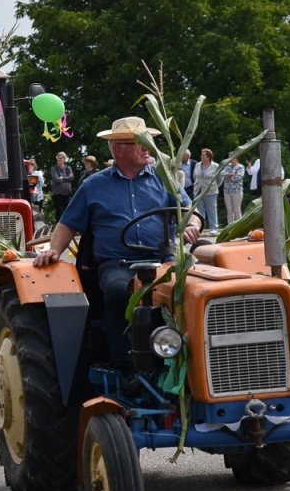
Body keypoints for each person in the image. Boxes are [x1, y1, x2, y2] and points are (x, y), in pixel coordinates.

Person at [33, 116, 202, 367]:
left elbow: (190, 211)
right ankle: (124, 366)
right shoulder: (93, 185)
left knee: (191, 290)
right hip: (118, 263)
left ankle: (188, 358)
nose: (147, 148)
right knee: (117, 290)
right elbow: (68, 223)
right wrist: (54, 250)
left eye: (148, 142)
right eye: (139, 142)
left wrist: (191, 225)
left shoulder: (164, 179)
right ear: (119, 149)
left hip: (163, 259)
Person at [190, 147, 220, 228]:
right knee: (199, 211)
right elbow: (194, 177)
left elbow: (219, 179)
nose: (201, 156)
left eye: (203, 155)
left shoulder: (215, 166)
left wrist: (214, 186)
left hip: (210, 191)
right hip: (198, 191)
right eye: (201, 155)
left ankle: (214, 228)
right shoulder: (197, 165)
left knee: (211, 210)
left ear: (208, 157)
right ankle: (201, 227)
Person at [221, 152, 247, 228]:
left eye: (232, 157)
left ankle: (239, 227)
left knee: (237, 209)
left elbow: (237, 178)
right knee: (229, 210)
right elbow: (222, 173)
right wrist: (230, 175)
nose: (230, 159)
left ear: (236, 158)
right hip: (227, 191)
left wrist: (228, 176)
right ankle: (230, 227)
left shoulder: (240, 167)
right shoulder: (227, 166)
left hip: (237, 191)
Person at [49, 151, 75, 220]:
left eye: (61, 158)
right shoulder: (54, 168)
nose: (59, 159)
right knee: (59, 210)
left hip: (67, 192)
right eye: (58, 158)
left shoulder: (68, 168)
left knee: (66, 210)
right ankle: (58, 223)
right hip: (57, 193)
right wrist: (66, 179)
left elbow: (71, 177)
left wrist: (62, 178)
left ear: (64, 159)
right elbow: (56, 179)